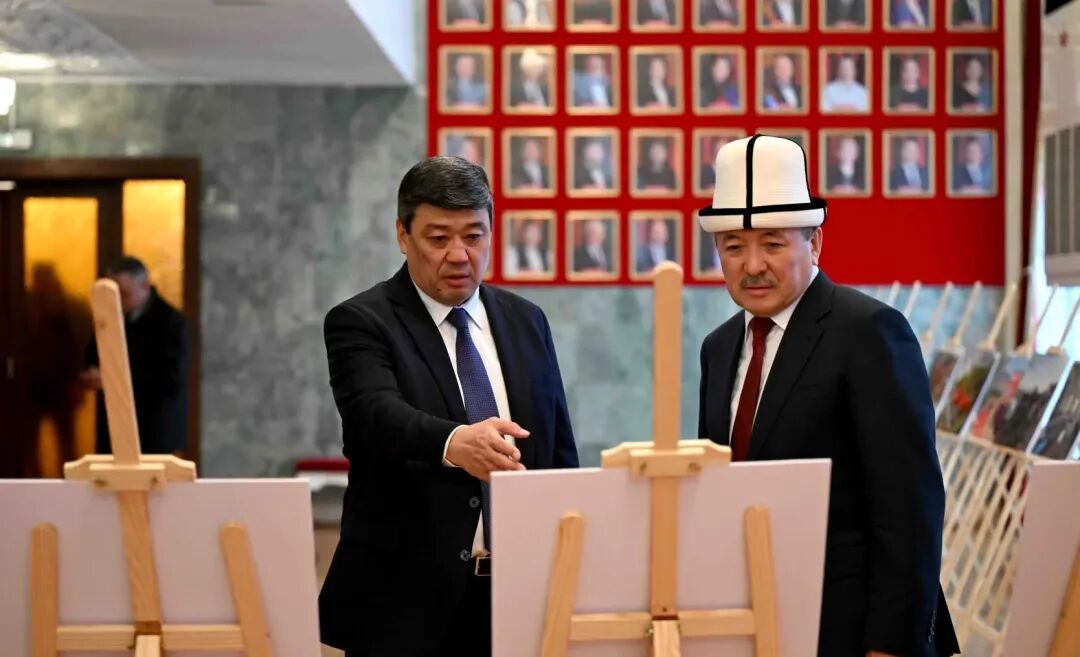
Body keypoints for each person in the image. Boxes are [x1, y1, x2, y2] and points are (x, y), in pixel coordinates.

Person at [696, 134, 959, 657]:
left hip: (851, 630)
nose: (753, 265)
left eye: (773, 244)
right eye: (734, 246)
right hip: (752, 624)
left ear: (814, 243)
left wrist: (891, 644)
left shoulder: (870, 332)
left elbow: (909, 508)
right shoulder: (718, 348)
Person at [317, 156, 578, 657]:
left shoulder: (527, 321)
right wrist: (455, 443)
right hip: (404, 603)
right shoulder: (361, 321)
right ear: (403, 235)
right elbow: (374, 416)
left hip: (520, 594)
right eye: (438, 239)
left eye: (474, 237)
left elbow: (558, 446)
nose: (459, 255)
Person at [82, 257, 188, 455]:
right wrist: (91, 372)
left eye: (123, 294)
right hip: (114, 425)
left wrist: (112, 379)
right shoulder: (111, 318)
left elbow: (169, 378)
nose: (118, 302)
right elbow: (92, 353)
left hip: (154, 428)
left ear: (144, 287)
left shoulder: (170, 322)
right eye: (114, 295)